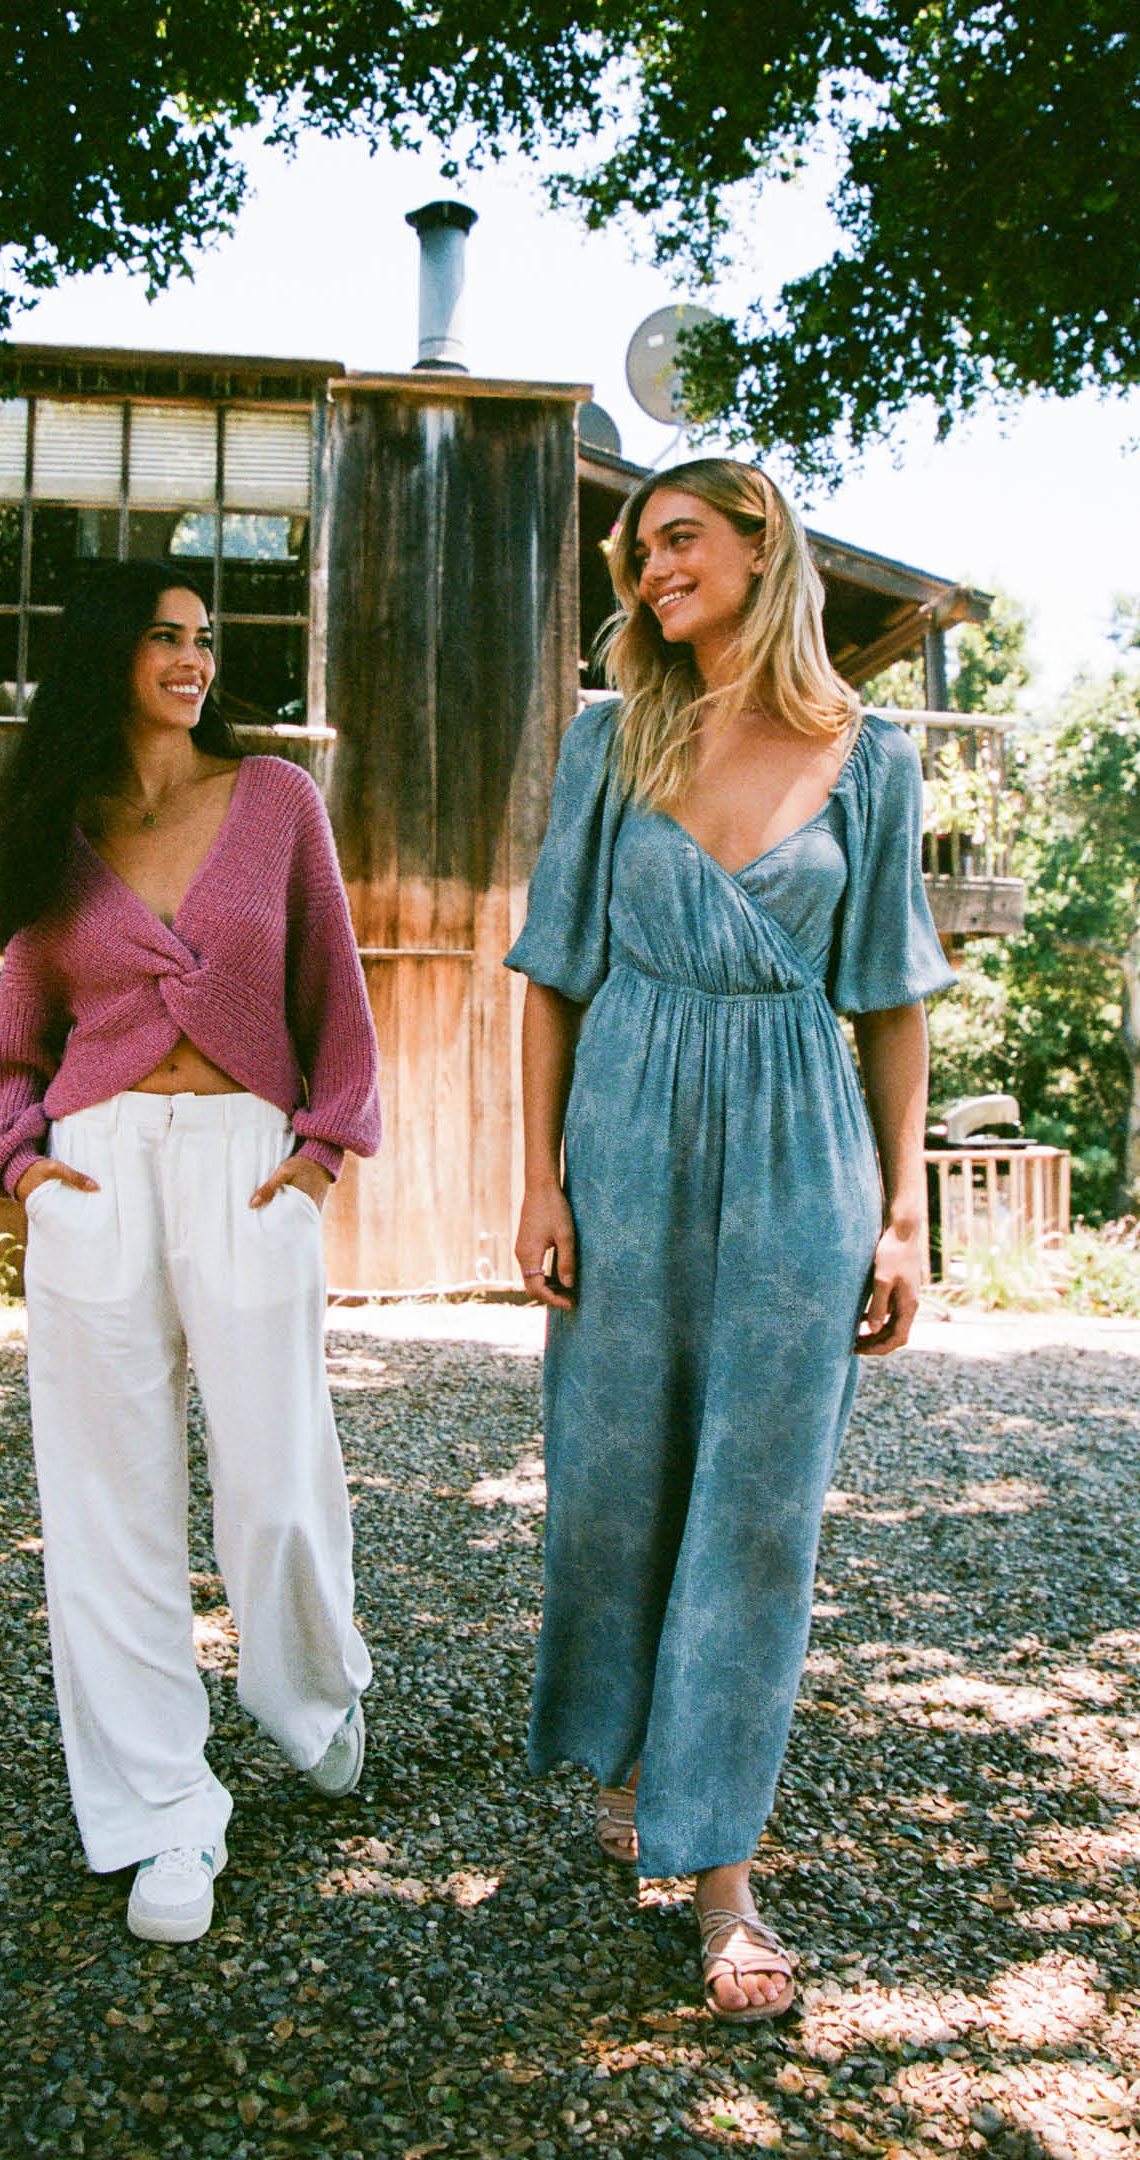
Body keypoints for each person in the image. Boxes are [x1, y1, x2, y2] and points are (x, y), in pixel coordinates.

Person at [506, 458, 953, 2023]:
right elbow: (554, 970)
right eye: (638, 554)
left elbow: (890, 998)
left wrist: (903, 1217)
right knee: (614, 1480)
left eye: (679, 538)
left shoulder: (870, 756)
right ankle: (636, 1746)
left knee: (760, 1514)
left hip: (797, 1152)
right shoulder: (609, 736)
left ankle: (723, 1875)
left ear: (766, 547)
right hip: (627, 1135)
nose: (651, 572)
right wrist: (541, 1179)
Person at [0, 560, 380, 1944]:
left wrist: (317, 1157)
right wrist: (29, 1168)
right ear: (109, 654)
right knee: (105, 1503)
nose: (193, 659)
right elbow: (17, 1038)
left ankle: (309, 1691)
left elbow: (335, 993)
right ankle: (161, 1810)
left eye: (203, 638)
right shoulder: (59, 826)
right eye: (163, 636)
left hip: (249, 1163)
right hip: (95, 1170)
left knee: (278, 1477)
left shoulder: (275, 799)